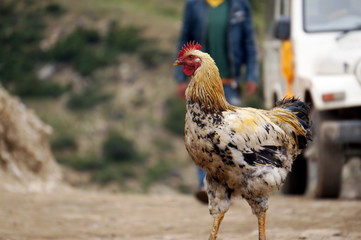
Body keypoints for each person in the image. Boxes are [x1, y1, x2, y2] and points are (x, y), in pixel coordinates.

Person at [174, 0, 259, 204]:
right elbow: (184, 39)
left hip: (229, 83)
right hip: (200, 84)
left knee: (234, 136)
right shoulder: (194, 5)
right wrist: (179, 77)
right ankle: (205, 183)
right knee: (200, 135)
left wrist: (252, 75)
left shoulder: (239, 5)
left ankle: (232, 183)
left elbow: (249, 41)